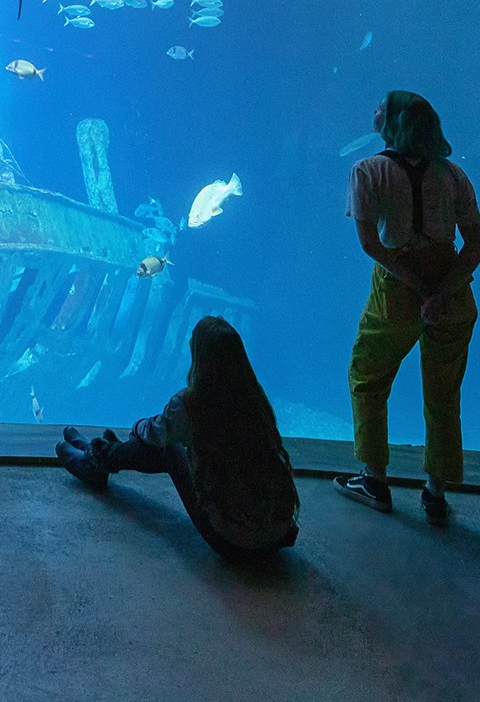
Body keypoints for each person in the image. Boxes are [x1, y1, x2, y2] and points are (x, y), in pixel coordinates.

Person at [337, 90, 480, 524]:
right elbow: (474, 244)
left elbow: (370, 244)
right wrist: (441, 290)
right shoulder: (453, 175)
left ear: (396, 122)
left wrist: (417, 286)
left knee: (367, 376)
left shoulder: (368, 171)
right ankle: (436, 493)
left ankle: (375, 479)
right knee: (443, 392)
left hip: (397, 289)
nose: (375, 109)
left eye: (383, 106)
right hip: (452, 290)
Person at [55, 316, 300, 563]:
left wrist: (138, 427)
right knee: (162, 445)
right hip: (276, 535)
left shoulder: (191, 403)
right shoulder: (253, 397)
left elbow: (154, 434)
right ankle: (101, 455)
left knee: (165, 448)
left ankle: (97, 459)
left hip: (233, 543)